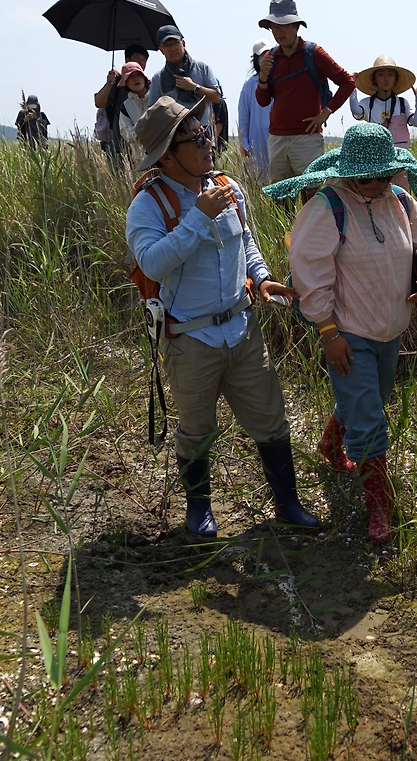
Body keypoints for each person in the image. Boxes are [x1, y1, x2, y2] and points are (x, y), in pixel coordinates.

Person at [125, 97, 318, 538]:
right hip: (190, 338)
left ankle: (288, 504)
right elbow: (152, 263)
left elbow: (246, 242)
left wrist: (262, 278)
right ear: (166, 156)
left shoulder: (228, 186)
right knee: (196, 428)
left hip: (242, 326)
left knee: (271, 419)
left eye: (207, 132)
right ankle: (199, 511)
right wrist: (198, 217)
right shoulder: (149, 205)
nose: (208, 142)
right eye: (195, 139)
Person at [265, 123, 417, 545]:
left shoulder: (400, 199)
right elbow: (310, 275)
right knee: (369, 418)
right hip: (349, 331)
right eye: (368, 177)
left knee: (372, 398)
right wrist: (329, 334)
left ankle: (331, 442)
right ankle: (379, 505)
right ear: (348, 172)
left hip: (392, 328)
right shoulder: (327, 207)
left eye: (384, 174)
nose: (378, 183)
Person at [254, 0, 356, 186]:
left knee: (311, 191)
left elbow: (347, 82)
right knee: (280, 193)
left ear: (296, 26)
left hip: (307, 138)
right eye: (274, 26)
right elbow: (263, 101)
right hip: (277, 138)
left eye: (283, 25)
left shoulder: (314, 53)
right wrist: (263, 77)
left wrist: (325, 113)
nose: (278, 31)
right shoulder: (270, 58)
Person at [147, 25, 224, 125]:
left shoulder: (202, 68)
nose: (172, 48)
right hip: (175, 132)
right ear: (161, 50)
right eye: (167, 45)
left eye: (175, 43)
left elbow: (217, 97)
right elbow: (153, 112)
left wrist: (194, 87)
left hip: (203, 130)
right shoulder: (158, 78)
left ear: (183, 43)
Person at [349, 56, 417, 148]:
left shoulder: (402, 103)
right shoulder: (368, 103)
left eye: (390, 75)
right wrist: (351, 86)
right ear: (374, 79)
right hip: (377, 152)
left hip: (399, 153)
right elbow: (355, 110)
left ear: (395, 79)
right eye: (381, 75)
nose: (386, 79)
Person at [94, 45, 150, 163]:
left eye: (144, 59)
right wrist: (109, 83)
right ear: (126, 60)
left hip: (149, 149)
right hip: (120, 145)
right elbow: (99, 103)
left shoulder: (152, 87)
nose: (141, 62)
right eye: (137, 57)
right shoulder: (117, 83)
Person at [238, 40, 274, 181]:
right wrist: (244, 142)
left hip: (277, 137)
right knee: (260, 177)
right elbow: (243, 116)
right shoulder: (249, 85)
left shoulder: (280, 81)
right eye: (262, 56)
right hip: (256, 139)